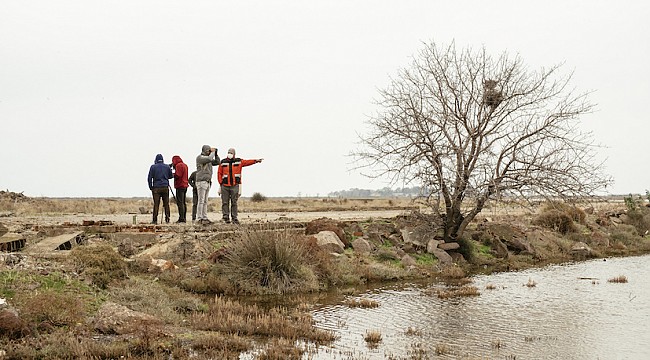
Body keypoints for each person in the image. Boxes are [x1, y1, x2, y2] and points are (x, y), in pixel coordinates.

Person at [217, 148, 263, 224]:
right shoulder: (223, 162)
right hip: (225, 186)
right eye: (229, 152)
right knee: (225, 202)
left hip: (235, 185)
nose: (230, 154)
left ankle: (234, 218)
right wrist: (220, 182)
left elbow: (247, 162)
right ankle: (225, 217)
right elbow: (219, 173)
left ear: (234, 154)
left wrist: (255, 161)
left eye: (231, 153)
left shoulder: (239, 161)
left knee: (234, 202)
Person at [195, 145, 220, 224]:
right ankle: (199, 218)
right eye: (209, 150)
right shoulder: (200, 158)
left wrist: (216, 154)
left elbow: (217, 162)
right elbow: (209, 158)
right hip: (201, 181)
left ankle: (204, 217)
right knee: (201, 201)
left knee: (205, 201)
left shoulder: (208, 159)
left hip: (207, 181)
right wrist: (212, 152)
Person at [147, 153, 173, 224]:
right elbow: (171, 176)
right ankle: (167, 219)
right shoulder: (167, 167)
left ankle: (155, 220)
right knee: (166, 204)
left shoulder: (153, 167)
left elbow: (149, 178)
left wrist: (151, 187)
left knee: (156, 204)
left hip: (156, 188)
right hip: (165, 187)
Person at [171, 155, 189, 223]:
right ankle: (184, 217)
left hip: (180, 185)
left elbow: (178, 175)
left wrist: (172, 174)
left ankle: (181, 218)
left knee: (180, 202)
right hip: (185, 185)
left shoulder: (178, 166)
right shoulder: (185, 165)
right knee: (183, 202)